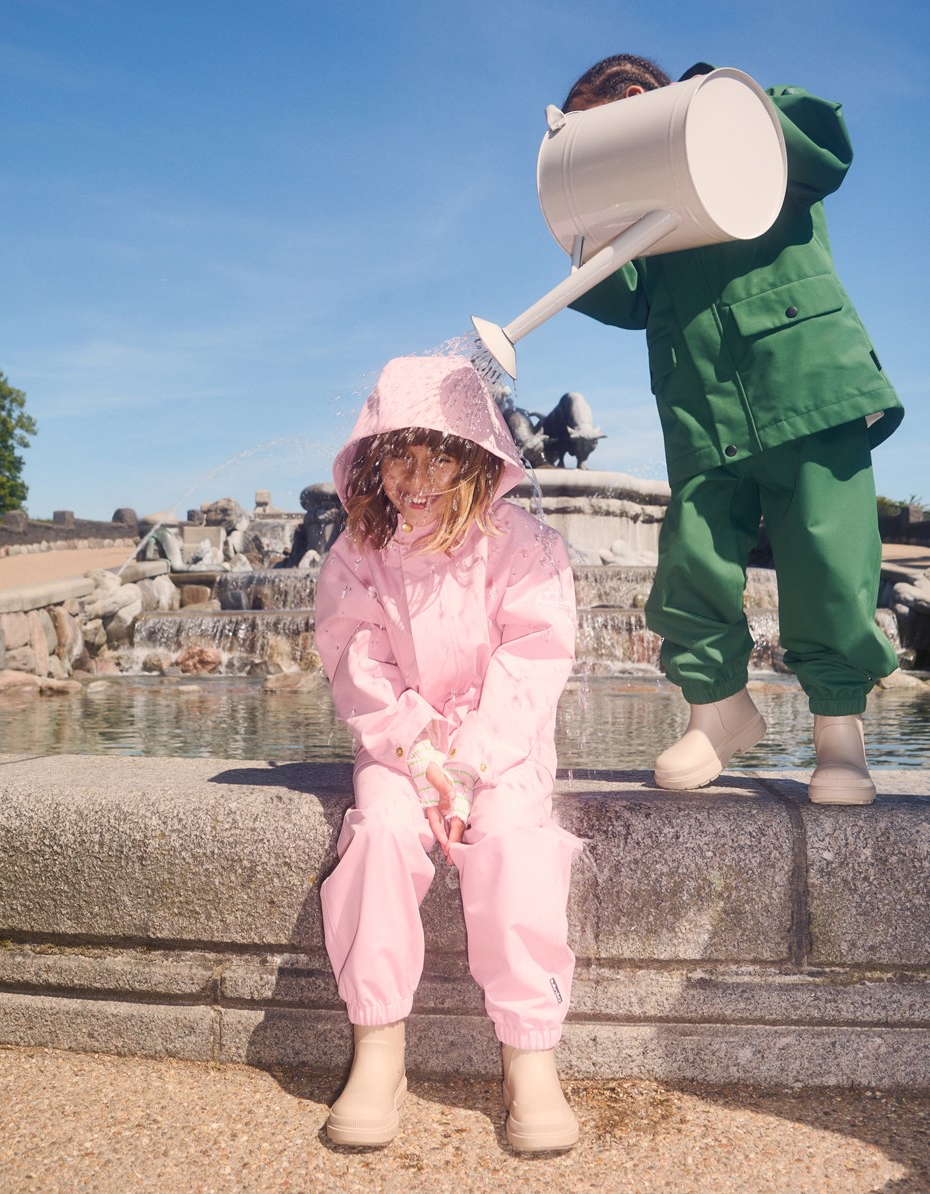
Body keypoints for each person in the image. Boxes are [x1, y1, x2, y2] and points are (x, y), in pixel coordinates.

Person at [563, 54, 904, 804]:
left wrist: (719, 107)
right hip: (700, 402)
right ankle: (716, 711)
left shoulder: (745, 112)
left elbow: (824, 144)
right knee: (692, 558)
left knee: (827, 549)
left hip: (807, 374)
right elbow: (623, 296)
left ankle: (839, 733)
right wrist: (580, 220)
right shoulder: (639, 213)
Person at [314, 353, 582, 1151]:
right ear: (373, 458)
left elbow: (534, 658)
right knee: (382, 837)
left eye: (439, 454)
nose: (416, 475)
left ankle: (529, 1058)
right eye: (398, 453)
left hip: (504, 744)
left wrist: (472, 763)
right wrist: (419, 753)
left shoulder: (523, 544)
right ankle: (378, 1046)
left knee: (515, 844)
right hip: (401, 742)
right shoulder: (358, 553)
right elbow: (357, 659)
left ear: (477, 456)